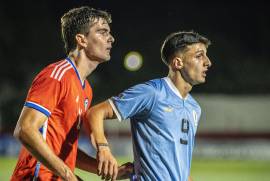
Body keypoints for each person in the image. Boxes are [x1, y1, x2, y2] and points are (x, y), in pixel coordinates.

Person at [11, 6, 132, 181]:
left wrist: (110, 170)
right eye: (102, 32)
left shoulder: (86, 88)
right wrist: (68, 174)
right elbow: (25, 129)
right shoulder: (56, 75)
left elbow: (66, 149)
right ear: (81, 40)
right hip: (36, 177)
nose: (111, 38)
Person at [87, 31, 212, 181]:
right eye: (199, 56)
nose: (208, 62)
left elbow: (181, 165)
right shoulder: (151, 93)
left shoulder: (194, 108)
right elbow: (95, 113)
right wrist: (103, 149)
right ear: (178, 63)